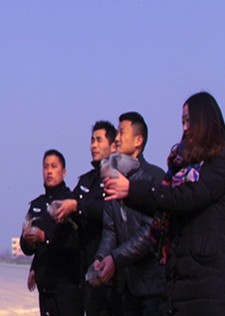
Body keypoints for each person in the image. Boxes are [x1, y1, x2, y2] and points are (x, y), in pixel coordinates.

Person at [104, 92, 225, 315]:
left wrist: (131, 190)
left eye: (190, 121)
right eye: (183, 121)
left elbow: (184, 197)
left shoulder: (222, 161)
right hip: (182, 280)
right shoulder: (182, 167)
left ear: (205, 120)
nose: (185, 128)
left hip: (210, 283)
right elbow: (167, 201)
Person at [94, 112, 166, 316]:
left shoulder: (153, 178)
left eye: (121, 132)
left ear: (138, 141)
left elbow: (151, 230)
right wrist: (102, 258)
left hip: (154, 288)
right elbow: (110, 229)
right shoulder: (112, 179)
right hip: (127, 289)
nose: (116, 139)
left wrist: (115, 259)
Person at [54, 121, 122, 316]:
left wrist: (77, 207)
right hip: (88, 271)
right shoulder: (86, 181)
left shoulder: (117, 178)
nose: (93, 145)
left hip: (111, 272)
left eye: (99, 140)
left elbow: (107, 210)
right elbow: (71, 204)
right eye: (92, 140)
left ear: (112, 146)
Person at [20, 149, 82, 316]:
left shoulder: (70, 202)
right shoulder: (37, 204)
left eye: (54, 166)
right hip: (45, 289)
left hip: (68, 288)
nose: (49, 171)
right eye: (46, 166)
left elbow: (75, 243)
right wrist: (30, 241)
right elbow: (26, 247)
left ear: (64, 172)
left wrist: (44, 238)